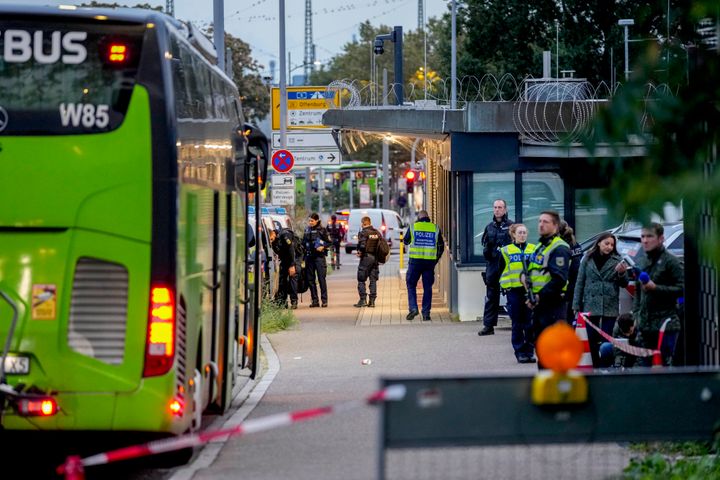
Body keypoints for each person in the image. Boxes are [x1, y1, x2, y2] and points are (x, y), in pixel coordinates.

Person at [572, 232, 629, 367]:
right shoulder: (587, 258)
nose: (609, 247)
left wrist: (621, 273)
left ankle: (606, 366)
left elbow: (624, 284)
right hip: (590, 305)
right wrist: (576, 305)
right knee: (590, 338)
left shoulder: (617, 260)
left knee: (607, 339)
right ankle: (594, 365)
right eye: (606, 243)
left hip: (609, 304)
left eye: (612, 245)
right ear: (599, 243)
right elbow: (580, 282)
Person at [633, 223, 684, 366]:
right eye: (642, 236)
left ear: (661, 238)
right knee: (646, 371)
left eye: (649, 236)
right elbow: (638, 291)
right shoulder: (642, 260)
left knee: (664, 371)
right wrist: (636, 315)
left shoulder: (671, 261)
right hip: (645, 327)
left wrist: (656, 288)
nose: (645, 240)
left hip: (665, 326)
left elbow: (682, 288)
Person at [526, 210, 571, 369]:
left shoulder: (559, 248)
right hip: (540, 305)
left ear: (556, 226)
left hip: (553, 306)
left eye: (546, 222)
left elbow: (559, 280)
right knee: (540, 349)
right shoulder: (540, 246)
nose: (541, 224)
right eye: (539, 221)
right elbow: (535, 272)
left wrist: (539, 296)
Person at [498, 223, 536, 363]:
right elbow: (500, 270)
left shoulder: (534, 249)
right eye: (519, 233)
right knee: (517, 323)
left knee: (530, 323)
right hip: (514, 291)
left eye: (524, 233)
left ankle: (530, 351)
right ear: (513, 235)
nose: (522, 235)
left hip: (530, 290)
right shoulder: (506, 251)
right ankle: (520, 352)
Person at [478, 199, 514, 336]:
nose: (497, 210)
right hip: (493, 264)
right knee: (491, 296)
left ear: (505, 209)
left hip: (508, 265)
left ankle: (517, 324)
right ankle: (488, 326)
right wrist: (487, 253)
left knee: (513, 296)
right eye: (495, 207)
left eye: (500, 207)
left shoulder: (511, 226)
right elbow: (485, 245)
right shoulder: (489, 227)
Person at [403, 210, 445, 321]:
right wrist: (435, 260)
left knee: (411, 284)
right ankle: (426, 313)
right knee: (428, 288)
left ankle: (413, 308)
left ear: (419, 217)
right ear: (428, 217)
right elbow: (441, 246)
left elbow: (406, 241)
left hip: (415, 263)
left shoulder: (413, 227)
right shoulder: (435, 228)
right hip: (429, 263)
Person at [302, 213, 331, 308]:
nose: (310, 222)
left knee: (321, 279)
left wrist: (323, 247)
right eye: (309, 221)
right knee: (310, 280)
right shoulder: (306, 230)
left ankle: (324, 300)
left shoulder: (322, 230)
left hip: (319, 258)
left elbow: (329, 242)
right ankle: (315, 300)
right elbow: (303, 243)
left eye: (312, 221)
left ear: (317, 220)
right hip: (309, 258)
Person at [354, 216, 382, 308]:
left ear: (363, 223)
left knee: (361, 279)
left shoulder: (363, 233)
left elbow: (362, 246)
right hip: (375, 259)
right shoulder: (377, 232)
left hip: (366, 258)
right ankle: (372, 301)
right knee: (373, 280)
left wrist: (359, 252)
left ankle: (363, 300)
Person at [560, 220, 583, 323]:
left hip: (564, 287)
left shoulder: (560, 246)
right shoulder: (575, 244)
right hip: (574, 285)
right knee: (570, 318)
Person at [269, 228, 298, 309]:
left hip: (293, 258)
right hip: (284, 260)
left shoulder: (285, 235)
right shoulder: (275, 239)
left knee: (292, 279)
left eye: (270, 238)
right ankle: (283, 302)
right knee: (282, 281)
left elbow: (291, 249)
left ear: (272, 233)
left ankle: (294, 302)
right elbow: (278, 252)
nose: (270, 240)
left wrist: (292, 265)